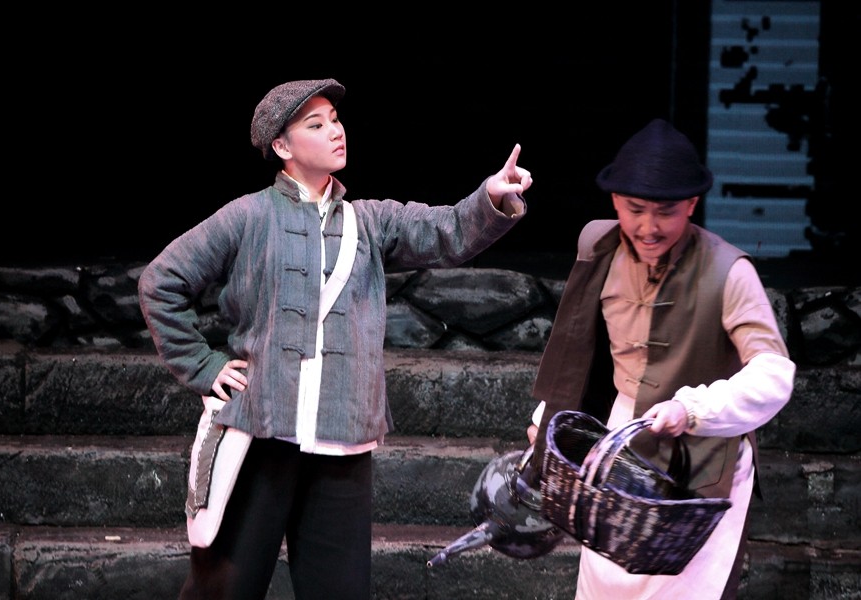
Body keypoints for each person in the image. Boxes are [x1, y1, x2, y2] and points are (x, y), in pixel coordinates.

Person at [138, 78, 529, 599]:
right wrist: (204, 366)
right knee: (226, 588)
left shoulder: (370, 222)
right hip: (261, 435)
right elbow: (160, 282)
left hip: (342, 443)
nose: (335, 131)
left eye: (336, 120)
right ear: (282, 145)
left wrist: (491, 198)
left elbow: (446, 231)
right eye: (316, 124)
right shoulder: (248, 216)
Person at [525, 118, 795, 599]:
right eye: (635, 210)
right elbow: (580, 351)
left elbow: (774, 373)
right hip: (622, 439)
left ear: (691, 204)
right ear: (615, 201)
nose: (648, 228)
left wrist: (692, 409)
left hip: (702, 455)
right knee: (604, 586)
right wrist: (549, 423)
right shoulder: (600, 247)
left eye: (666, 212)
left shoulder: (728, 271)